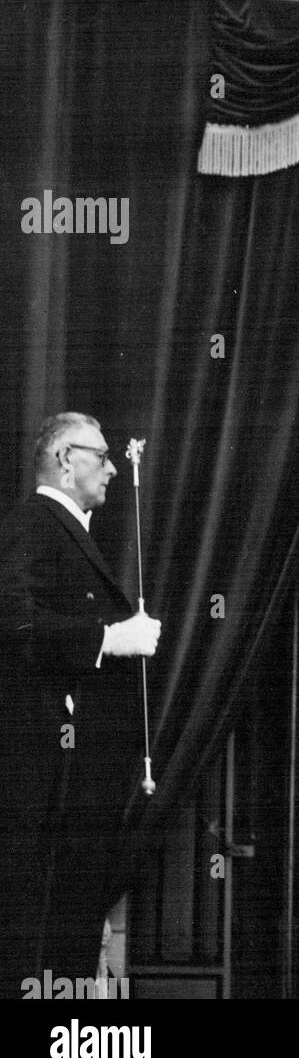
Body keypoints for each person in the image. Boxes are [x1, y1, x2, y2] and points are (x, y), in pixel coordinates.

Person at [0, 413, 161, 998]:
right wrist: (107, 639)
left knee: (59, 929)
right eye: (103, 455)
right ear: (68, 460)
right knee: (36, 929)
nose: (115, 468)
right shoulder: (35, 523)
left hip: (68, 775)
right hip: (42, 770)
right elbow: (11, 621)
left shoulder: (65, 529)